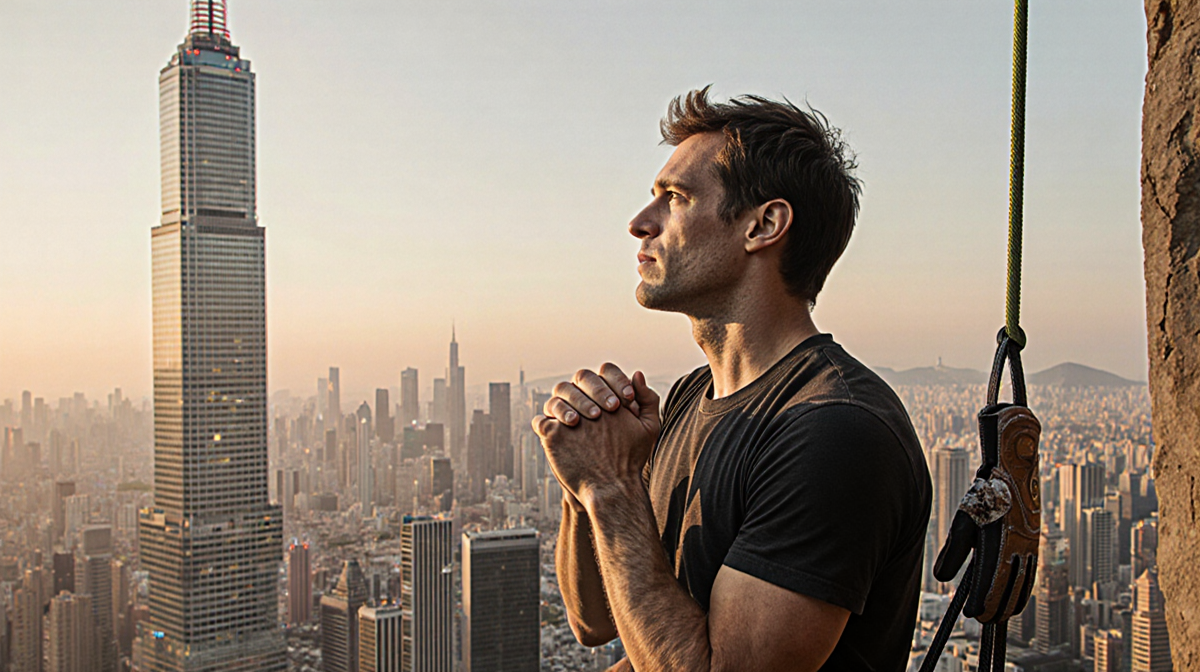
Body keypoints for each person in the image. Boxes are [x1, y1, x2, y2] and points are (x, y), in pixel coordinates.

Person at [532, 87, 933, 671]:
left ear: (763, 225)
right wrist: (584, 485)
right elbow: (595, 622)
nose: (640, 224)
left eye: (674, 197)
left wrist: (613, 484)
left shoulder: (835, 431)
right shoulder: (690, 398)